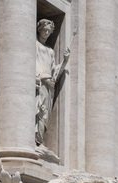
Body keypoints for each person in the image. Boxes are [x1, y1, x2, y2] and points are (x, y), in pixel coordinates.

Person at [35, 18, 71, 147]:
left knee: (45, 116)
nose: (46, 33)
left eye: (49, 31)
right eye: (44, 30)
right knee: (39, 111)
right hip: (39, 82)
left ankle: (39, 140)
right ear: (39, 30)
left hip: (49, 86)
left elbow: (54, 71)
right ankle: (35, 140)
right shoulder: (34, 44)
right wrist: (44, 77)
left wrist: (65, 61)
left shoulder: (50, 51)